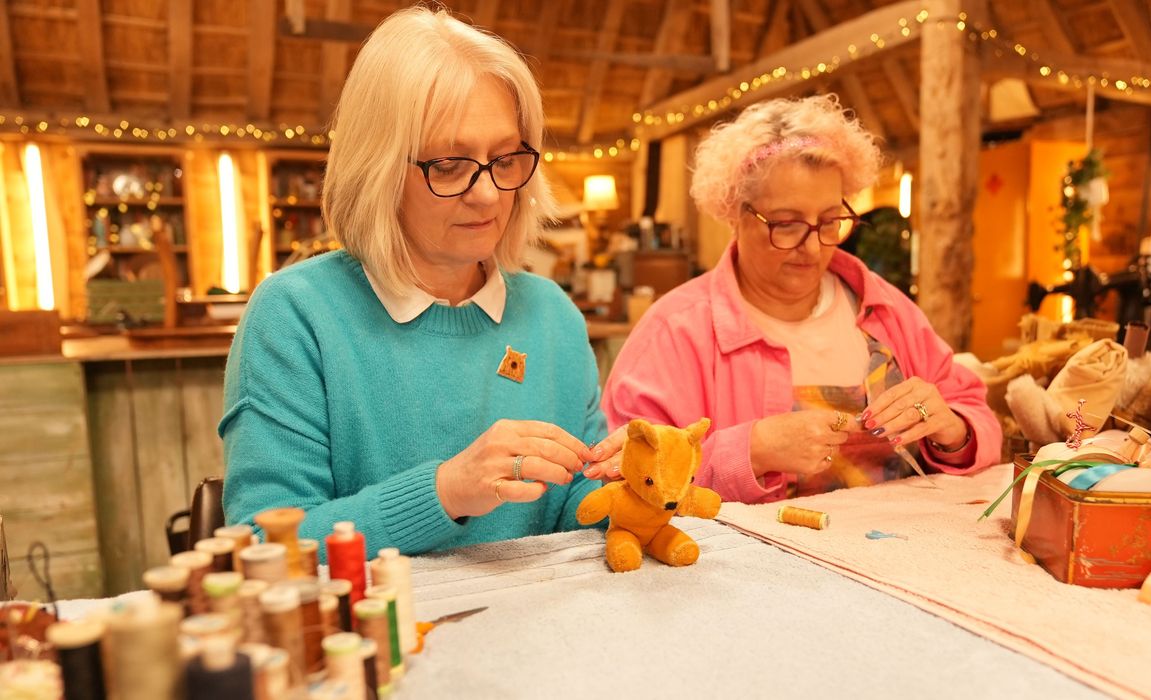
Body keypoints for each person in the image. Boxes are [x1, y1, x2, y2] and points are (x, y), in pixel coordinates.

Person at [220, 6, 623, 557]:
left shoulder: (552, 314)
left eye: (505, 158)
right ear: (378, 169)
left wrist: (625, 489)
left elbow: (573, 499)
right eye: (449, 165)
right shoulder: (297, 315)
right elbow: (261, 547)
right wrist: (446, 491)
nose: (487, 194)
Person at [603, 95, 1001, 504]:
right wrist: (750, 451)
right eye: (787, 224)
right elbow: (622, 475)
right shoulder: (675, 331)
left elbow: (977, 417)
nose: (812, 248)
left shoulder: (885, 309)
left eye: (830, 221)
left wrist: (952, 430)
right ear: (735, 215)